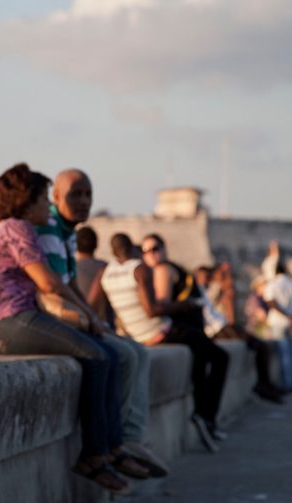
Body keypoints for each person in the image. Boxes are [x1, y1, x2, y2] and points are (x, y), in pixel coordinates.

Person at [0, 164, 147, 494]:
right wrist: (88, 315)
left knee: (104, 353)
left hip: (12, 318)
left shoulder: (22, 228)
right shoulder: (18, 229)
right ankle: (95, 456)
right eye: (42, 200)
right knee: (97, 355)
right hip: (4, 320)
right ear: (27, 202)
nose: (47, 209)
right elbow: (49, 282)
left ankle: (109, 449)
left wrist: (89, 316)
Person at [35, 169, 167, 477]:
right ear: (55, 198)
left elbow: (72, 287)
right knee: (117, 355)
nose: (84, 202)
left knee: (135, 352)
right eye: (75, 195)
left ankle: (126, 441)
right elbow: (52, 290)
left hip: (69, 316)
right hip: (51, 318)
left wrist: (93, 318)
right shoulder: (49, 230)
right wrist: (89, 321)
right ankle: (114, 445)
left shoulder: (65, 232)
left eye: (87, 195)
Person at [139, 233, 230, 452]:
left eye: (156, 248)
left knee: (201, 368)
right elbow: (162, 304)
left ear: (164, 248)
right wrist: (187, 305)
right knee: (220, 358)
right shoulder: (162, 270)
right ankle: (206, 415)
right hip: (182, 331)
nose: (152, 254)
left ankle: (205, 416)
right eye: (147, 251)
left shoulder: (164, 268)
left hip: (190, 330)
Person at [194, 267, 285, 404]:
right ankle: (263, 385)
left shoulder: (206, 292)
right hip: (219, 329)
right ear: (198, 278)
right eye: (206, 278)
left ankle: (265, 383)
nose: (209, 281)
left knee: (261, 346)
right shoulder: (199, 291)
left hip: (223, 326)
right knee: (260, 346)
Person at [263, 262, 292, 392]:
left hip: (278, 323)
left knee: (284, 354)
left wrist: (285, 314)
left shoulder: (273, 284)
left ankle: (288, 384)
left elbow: (271, 302)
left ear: (275, 272)